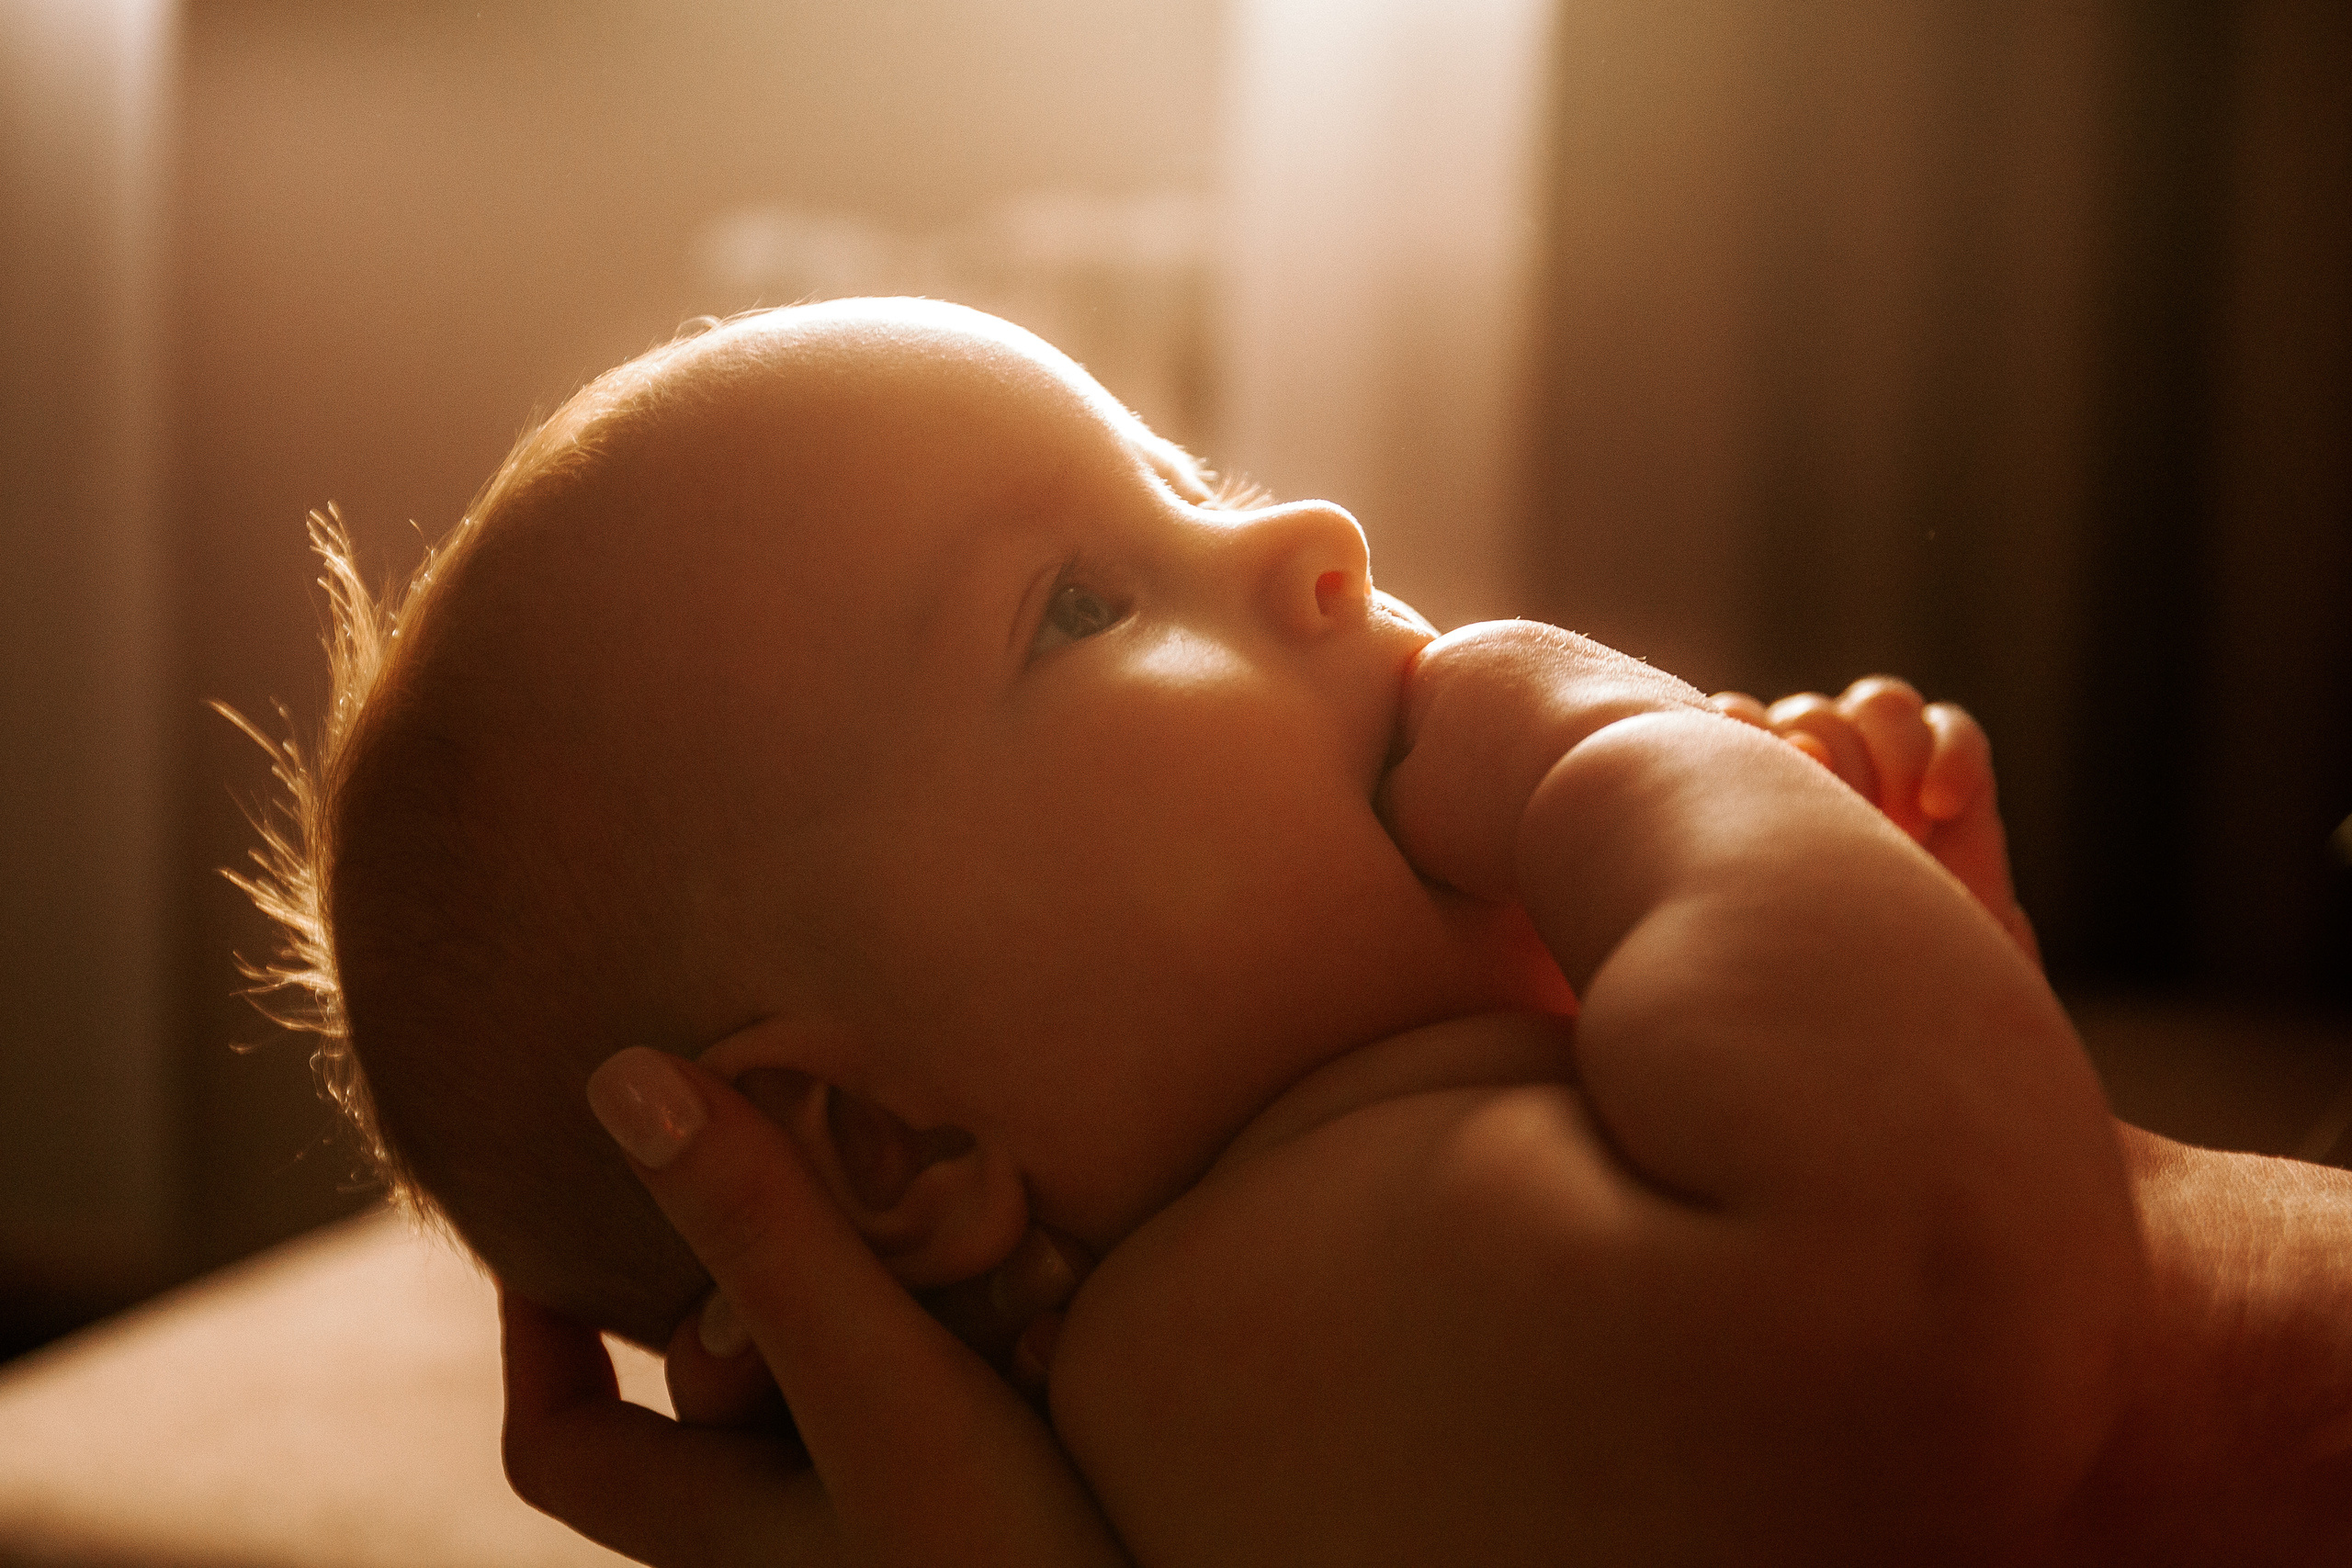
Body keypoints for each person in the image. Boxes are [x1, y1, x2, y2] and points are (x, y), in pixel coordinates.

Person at [229, 299, 2352, 1564]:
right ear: (880, 1145)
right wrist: (1605, 746)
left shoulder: (1382, 1187)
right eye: (1079, 599)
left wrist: (1913, 960)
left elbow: (2017, 1243)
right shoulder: (1246, 1326)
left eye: (1194, 474)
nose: (1314, 538)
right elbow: (1952, 1291)